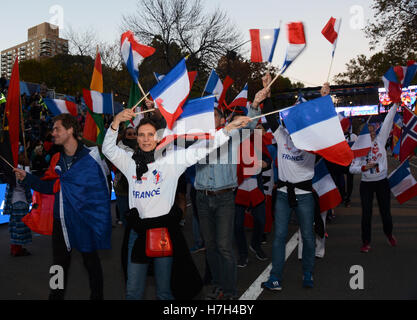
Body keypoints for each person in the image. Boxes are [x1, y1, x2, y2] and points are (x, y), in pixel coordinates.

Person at [102, 107, 251, 300]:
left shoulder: (171, 160)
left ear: (158, 138)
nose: (146, 139)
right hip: (137, 233)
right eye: (141, 135)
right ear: (137, 138)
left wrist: (227, 128)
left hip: (163, 233)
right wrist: (115, 122)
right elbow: (108, 149)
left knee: (164, 292)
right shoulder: (129, 160)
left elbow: (201, 149)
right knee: (133, 292)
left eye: (150, 135)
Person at [14, 113, 112, 300]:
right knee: (58, 265)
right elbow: (51, 187)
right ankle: (55, 297)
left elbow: (101, 191)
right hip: (61, 220)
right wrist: (28, 178)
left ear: (70, 130)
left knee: (91, 262)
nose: (53, 133)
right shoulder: (56, 159)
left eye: (57, 128)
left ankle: (97, 297)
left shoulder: (90, 157)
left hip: (84, 219)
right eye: (53, 129)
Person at [261, 77, 330, 291]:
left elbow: (326, 126)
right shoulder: (281, 134)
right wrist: (267, 91)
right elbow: (270, 115)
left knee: (308, 237)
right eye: (293, 115)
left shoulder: (313, 140)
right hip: (282, 192)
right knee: (279, 236)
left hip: (304, 194)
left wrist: (325, 100)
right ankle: (275, 278)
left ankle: (308, 273)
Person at [194, 98, 261, 300]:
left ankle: (230, 291)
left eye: (214, 115)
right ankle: (217, 285)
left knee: (224, 247)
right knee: (211, 247)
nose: (210, 119)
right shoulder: (195, 139)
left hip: (224, 199)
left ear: (222, 119)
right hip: (202, 198)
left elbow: (250, 123)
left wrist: (255, 105)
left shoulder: (233, 135)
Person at [349, 104, 398, 253]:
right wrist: (363, 168)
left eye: (372, 132)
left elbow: (389, 120)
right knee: (366, 213)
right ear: (361, 134)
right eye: (367, 132)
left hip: (382, 182)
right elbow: (351, 168)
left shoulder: (380, 140)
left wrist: (396, 103)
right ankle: (366, 242)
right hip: (367, 184)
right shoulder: (357, 148)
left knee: (385, 212)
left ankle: (389, 233)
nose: (371, 135)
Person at [3, 153, 32, 257]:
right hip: (22, 202)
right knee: (21, 228)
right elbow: (27, 187)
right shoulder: (24, 172)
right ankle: (17, 250)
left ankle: (15, 248)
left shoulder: (13, 171)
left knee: (15, 227)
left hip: (13, 203)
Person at [114, 126, 137, 226]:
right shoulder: (118, 149)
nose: (132, 136)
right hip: (122, 187)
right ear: (124, 136)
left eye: (134, 134)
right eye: (129, 134)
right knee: (126, 217)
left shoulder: (142, 146)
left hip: (136, 187)